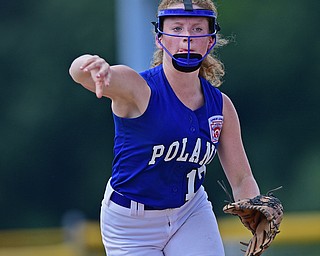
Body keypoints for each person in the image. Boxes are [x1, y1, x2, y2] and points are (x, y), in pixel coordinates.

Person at [69, 0, 260, 255]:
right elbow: (79, 73)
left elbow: (242, 178)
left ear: (211, 39)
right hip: (131, 223)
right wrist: (91, 65)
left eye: (196, 29)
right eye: (177, 28)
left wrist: (255, 210)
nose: (187, 38)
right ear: (160, 38)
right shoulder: (138, 88)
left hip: (190, 212)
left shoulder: (221, 106)